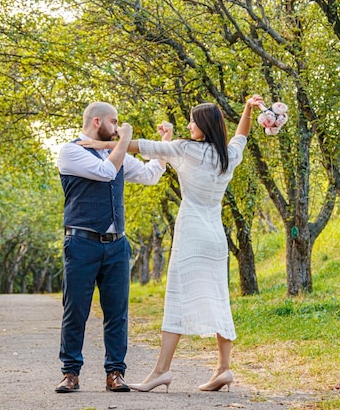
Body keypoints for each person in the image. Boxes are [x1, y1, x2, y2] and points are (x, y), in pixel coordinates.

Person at [80, 95, 265, 393]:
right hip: (216, 236)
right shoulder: (228, 155)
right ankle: (224, 369)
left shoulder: (185, 149)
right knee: (219, 298)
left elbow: (141, 146)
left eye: (193, 120)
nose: (189, 124)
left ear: (203, 126)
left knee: (177, 298)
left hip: (191, 231)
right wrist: (247, 109)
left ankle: (161, 371)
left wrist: (101, 145)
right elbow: (242, 134)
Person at [55, 102, 169, 393]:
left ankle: (115, 372)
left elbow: (149, 176)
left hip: (117, 245)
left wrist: (164, 147)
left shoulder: (113, 153)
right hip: (81, 242)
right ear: (97, 122)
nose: (118, 128)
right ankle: (71, 373)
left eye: (120, 124)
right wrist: (127, 137)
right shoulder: (71, 151)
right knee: (75, 310)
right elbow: (106, 172)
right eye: (114, 122)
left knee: (117, 312)